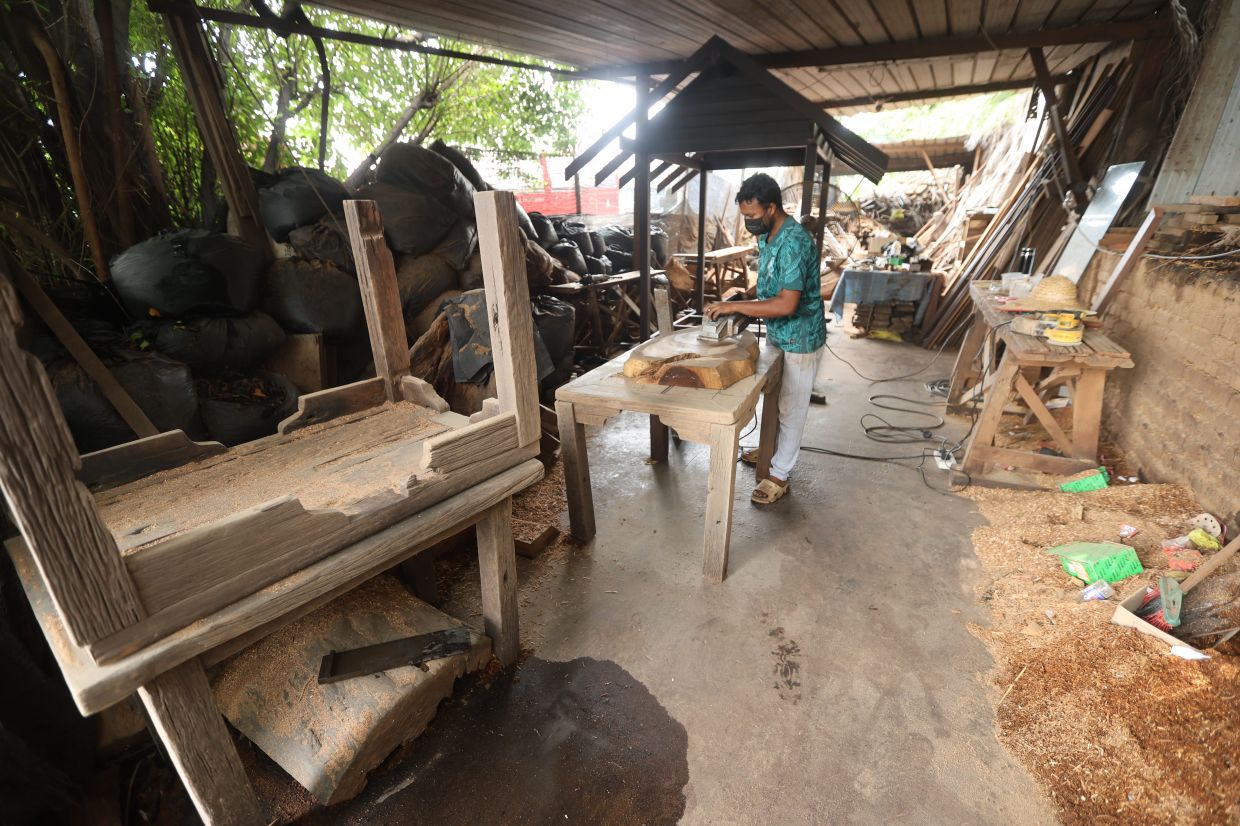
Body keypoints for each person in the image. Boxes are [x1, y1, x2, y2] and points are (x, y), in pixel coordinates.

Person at [704, 172, 825, 506]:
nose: (749, 223)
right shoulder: (767, 236)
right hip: (777, 330)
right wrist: (747, 294)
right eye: (744, 217)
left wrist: (734, 304)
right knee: (771, 394)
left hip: (800, 335)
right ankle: (769, 447)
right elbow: (770, 281)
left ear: (772, 208)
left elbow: (787, 302)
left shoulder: (796, 242)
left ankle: (780, 473)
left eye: (753, 216)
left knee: (792, 406)